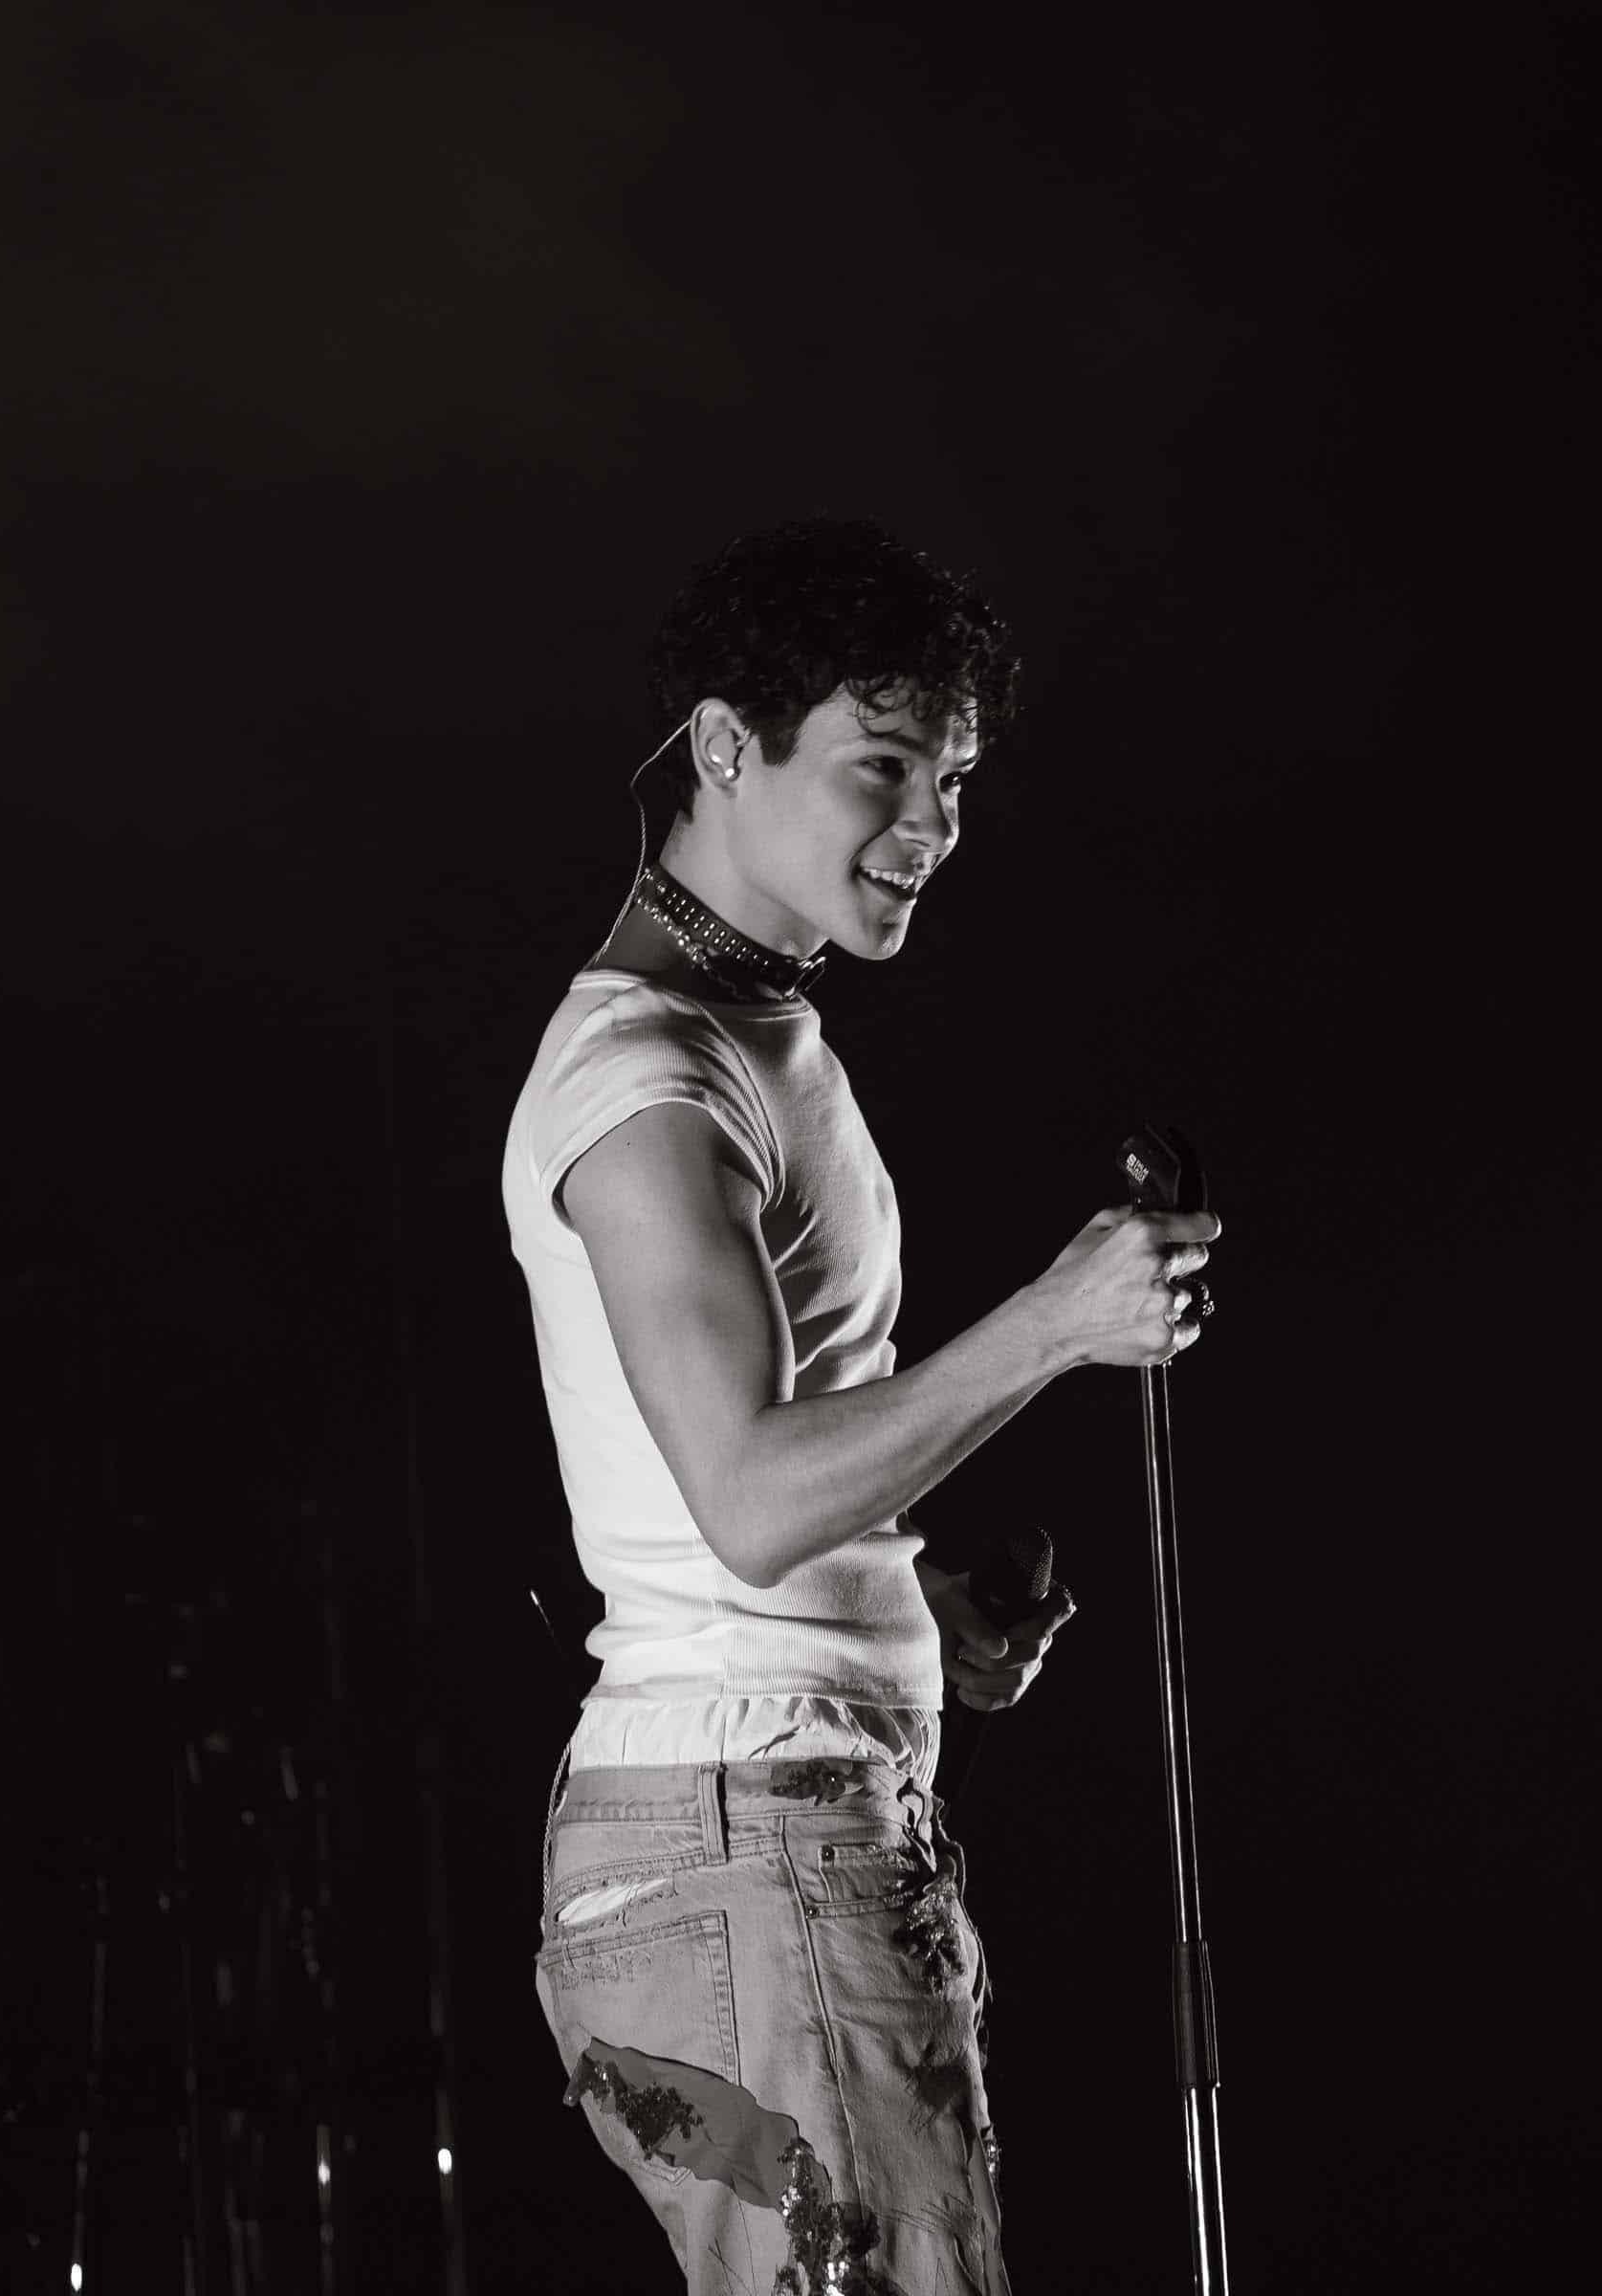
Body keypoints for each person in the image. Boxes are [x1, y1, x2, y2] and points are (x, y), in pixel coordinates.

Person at [500, 518, 1219, 2293]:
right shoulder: (650, 1077)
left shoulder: (762, 1036)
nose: (931, 826)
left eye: (952, 780)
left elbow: (751, 1501)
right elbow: (747, 1499)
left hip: (786, 1836)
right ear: (725, 747)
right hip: (748, 1851)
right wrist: (1055, 1324)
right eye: (882, 767)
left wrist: (909, 1600)